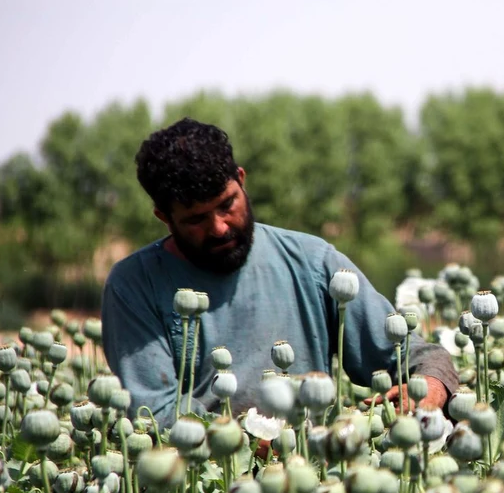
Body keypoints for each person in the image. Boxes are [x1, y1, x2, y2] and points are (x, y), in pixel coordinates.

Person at [100, 118, 458, 428]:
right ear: (164, 217)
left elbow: (416, 356)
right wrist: (252, 441)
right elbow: (155, 416)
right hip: (202, 490)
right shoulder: (135, 285)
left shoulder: (312, 262)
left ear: (241, 181)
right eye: (196, 219)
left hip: (313, 476)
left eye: (227, 204)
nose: (220, 227)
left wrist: (429, 386)